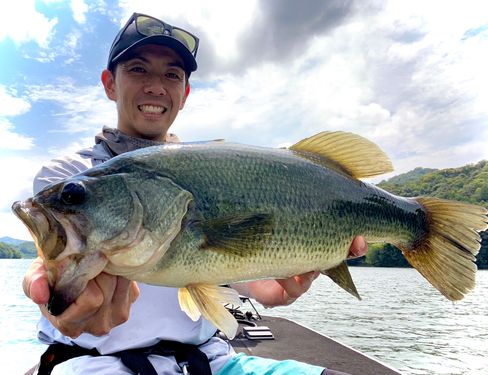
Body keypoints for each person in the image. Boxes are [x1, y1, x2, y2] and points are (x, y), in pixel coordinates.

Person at [23, 13, 368, 375]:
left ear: (185, 93)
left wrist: (268, 287)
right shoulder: (67, 179)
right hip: (95, 366)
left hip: (212, 362)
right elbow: (52, 270)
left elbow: (222, 261)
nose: (156, 86)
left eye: (172, 74)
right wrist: (52, 300)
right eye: (138, 69)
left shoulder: (213, 175)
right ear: (110, 84)